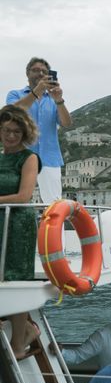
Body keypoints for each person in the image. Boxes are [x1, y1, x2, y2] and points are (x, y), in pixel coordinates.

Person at [0, 105, 42, 358]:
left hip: (17, 224)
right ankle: (27, 327)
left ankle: (18, 342)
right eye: (6, 130)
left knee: (16, 278)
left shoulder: (29, 158)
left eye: (16, 131)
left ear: (24, 132)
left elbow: (24, 196)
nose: (11, 135)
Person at [6, 57, 72, 204]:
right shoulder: (15, 95)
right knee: (15, 201)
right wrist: (37, 91)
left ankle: (54, 228)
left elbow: (66, 123)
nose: (40, 73)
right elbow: (13, 111)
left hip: (49, 157)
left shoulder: (53, 100)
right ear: (27, 73)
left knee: (54, 204)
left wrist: (59, 100)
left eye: (44, 71)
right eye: (35, 70)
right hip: (20, 157)